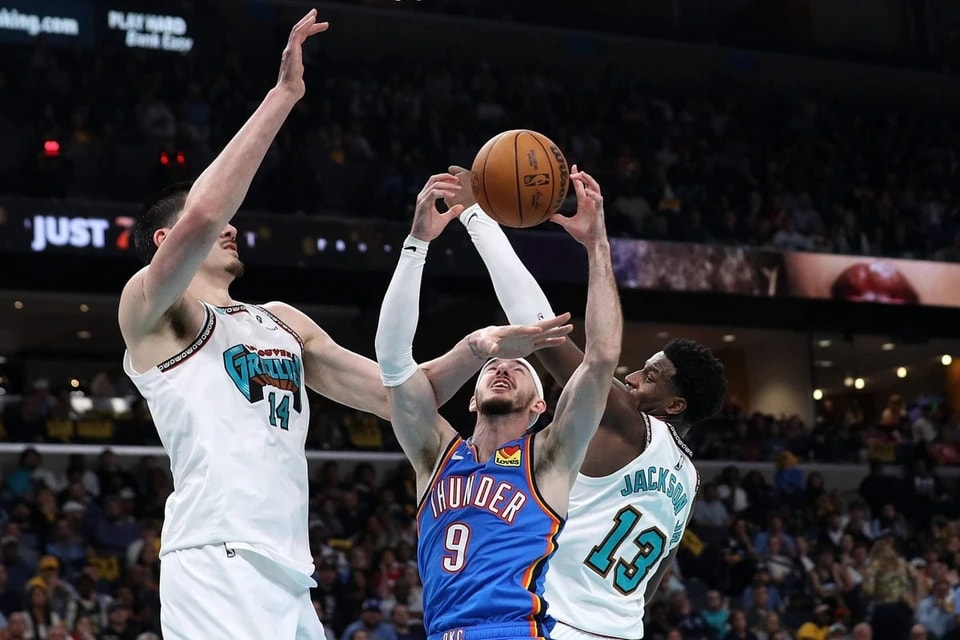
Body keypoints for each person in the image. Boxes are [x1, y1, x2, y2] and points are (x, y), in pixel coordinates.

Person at [117, 14, 564, 640]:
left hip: (289, 572)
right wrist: (284, 96)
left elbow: (396, 396)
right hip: (214, 558)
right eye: (208, 223)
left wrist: (478, 346)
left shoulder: (281, 322)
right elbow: (206, 213)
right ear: (166, 241)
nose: (230, 227)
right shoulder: (149, 310)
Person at [444, 164, 728, 640]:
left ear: (675, 405)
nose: (632, 378)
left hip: (556, 624)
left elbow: (540, 329)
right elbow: (649, 587)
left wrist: (477, 216)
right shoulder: (690, 481)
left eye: (650, 377)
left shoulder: (630, 422)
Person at [375, 170, 622, 640]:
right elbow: (393, 362)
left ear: (539, 405)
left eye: (519, 368)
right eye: (494, 366)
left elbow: (601, 359)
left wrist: (597, 246)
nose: (504, 368)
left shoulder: (549, 457)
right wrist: (417, 243)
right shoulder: (434, 454)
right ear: (471, 398)